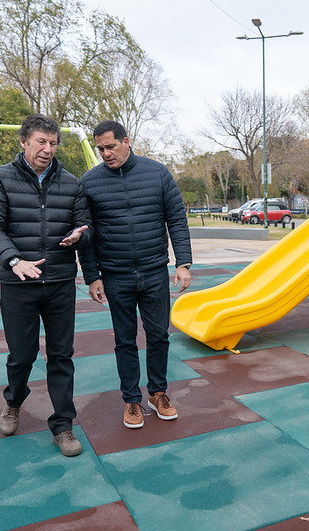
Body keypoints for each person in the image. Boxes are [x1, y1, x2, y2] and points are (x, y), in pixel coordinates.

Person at [0, 114, 93, 457]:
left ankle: (63, 426)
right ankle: (13, 401)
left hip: (59, 282)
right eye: (41, 142)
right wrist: (15, 261)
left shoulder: (71, 183)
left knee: (61, 355)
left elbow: (86, 225)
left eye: (53, 143)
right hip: (17, 283)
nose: (47, 149)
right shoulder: (0, 178)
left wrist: (80, 234)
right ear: (24, 142)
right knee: (22, 355)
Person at [79, 120, 192, 430]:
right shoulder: (89, 182)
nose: (105, 153)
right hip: (115, 276)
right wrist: (92, 276)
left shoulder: (157, 173)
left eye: (110, 147)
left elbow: (176, 220)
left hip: (155, 272)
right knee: (125, 341)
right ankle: (131, 399)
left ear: (126, 142)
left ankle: (158, 393)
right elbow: (85, 235)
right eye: (100, 148)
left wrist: (183, 262)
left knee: (159, 336)